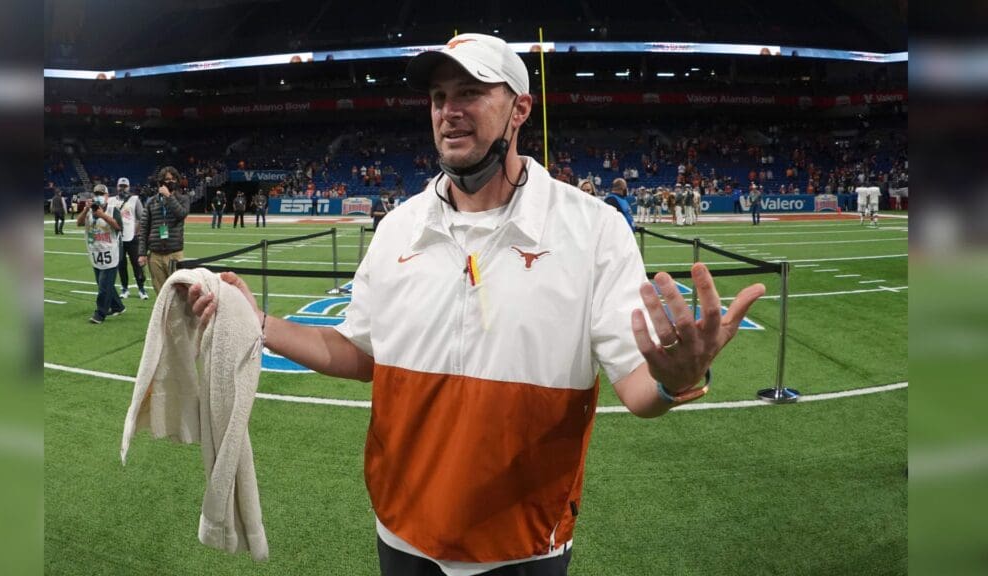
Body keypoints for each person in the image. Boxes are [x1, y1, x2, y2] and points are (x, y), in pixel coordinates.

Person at [184, 33, 764, 576]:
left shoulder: (592, 230)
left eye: (470, 93)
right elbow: (359, 352)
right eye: (438, 97)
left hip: (524, 542)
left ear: (519, 109)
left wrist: (676, 379)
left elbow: (637, 390)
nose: (448, 110)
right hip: (401, 529)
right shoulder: (398, 229)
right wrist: (255, 321)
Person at [138, 166, 190, 296]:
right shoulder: (151, 202)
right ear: (161, 181)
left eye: (173, 179)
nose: (170, 182)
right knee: (161, 293)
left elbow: (181, 214)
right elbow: (144, 228)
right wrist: (142, 253)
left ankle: (179, 317)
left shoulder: (183, 199)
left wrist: (169, 196)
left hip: (174, 253)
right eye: (167, 179)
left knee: (179, 292)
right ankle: (164, 316)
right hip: (155, 254)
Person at [77, 184, 124, 324]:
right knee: (102, 282)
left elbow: (118, 226)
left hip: (111, 253)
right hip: (96, 253)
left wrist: (102, 215)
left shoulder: (112, 209)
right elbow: (79, 223)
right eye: (96, 194)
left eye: (101, 194)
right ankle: (117, 306)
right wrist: (86, 210)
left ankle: (100, 313)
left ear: (107, 196)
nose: (99, 196)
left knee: (104, 285)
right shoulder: (90, 211)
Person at [113, 177, 148, 300]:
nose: (122, 188)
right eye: (120, 186)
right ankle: (124, 288)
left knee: (137, 264)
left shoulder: (135, 200)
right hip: (118, 239)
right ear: (117, 187)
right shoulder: (112, 201)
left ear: (128, 187)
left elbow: (142, 218)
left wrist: (136, 232)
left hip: (132, 238)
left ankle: (141, 288)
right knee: (121, 265)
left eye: (125, 186)